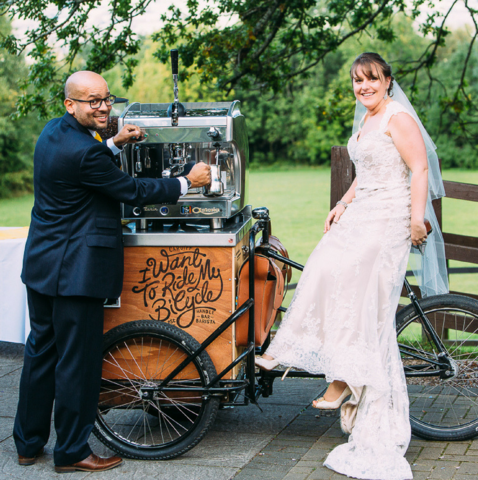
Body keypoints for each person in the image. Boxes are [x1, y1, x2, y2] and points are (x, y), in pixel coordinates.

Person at [255, 52, 448, 480]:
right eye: (358, 82)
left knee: (362, 299)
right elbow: (366, 171)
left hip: (391, 217)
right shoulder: (365, 119)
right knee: (323, 265)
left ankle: (343, 379)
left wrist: (418, 218)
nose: (364, 87)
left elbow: (418, 169)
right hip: (364, 211)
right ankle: (295, 354)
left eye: (372, 80)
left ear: (387, 81)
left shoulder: (398, 117)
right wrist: (342, 203)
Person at [13, 71, 211, 473]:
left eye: (106, 99)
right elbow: (132, 191)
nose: (103, 106)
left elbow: (88, 160)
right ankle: (71, 452)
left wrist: (115, 143)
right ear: (71, 104)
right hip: (77, 272)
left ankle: (28, 444)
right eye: (92, 101)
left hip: (43, 265)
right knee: (78, 363)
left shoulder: (53, 133)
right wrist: (185, 181)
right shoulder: (86, 153)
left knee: (41, 354)